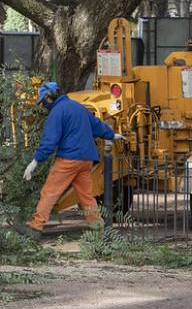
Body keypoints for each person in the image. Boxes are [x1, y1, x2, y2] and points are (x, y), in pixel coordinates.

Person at [20, 81, 125, 236]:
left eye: (43, 101)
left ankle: (35, 227)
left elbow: (49, 142)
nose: (43, 105)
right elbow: (97, 125)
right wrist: (112, 135)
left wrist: (34, 162)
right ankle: (98, 228)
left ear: (50, 97)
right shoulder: (78, 107)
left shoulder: (57, 113)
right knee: (86, 196)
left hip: (68, 159)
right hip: (86, 160)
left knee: (49, 192)